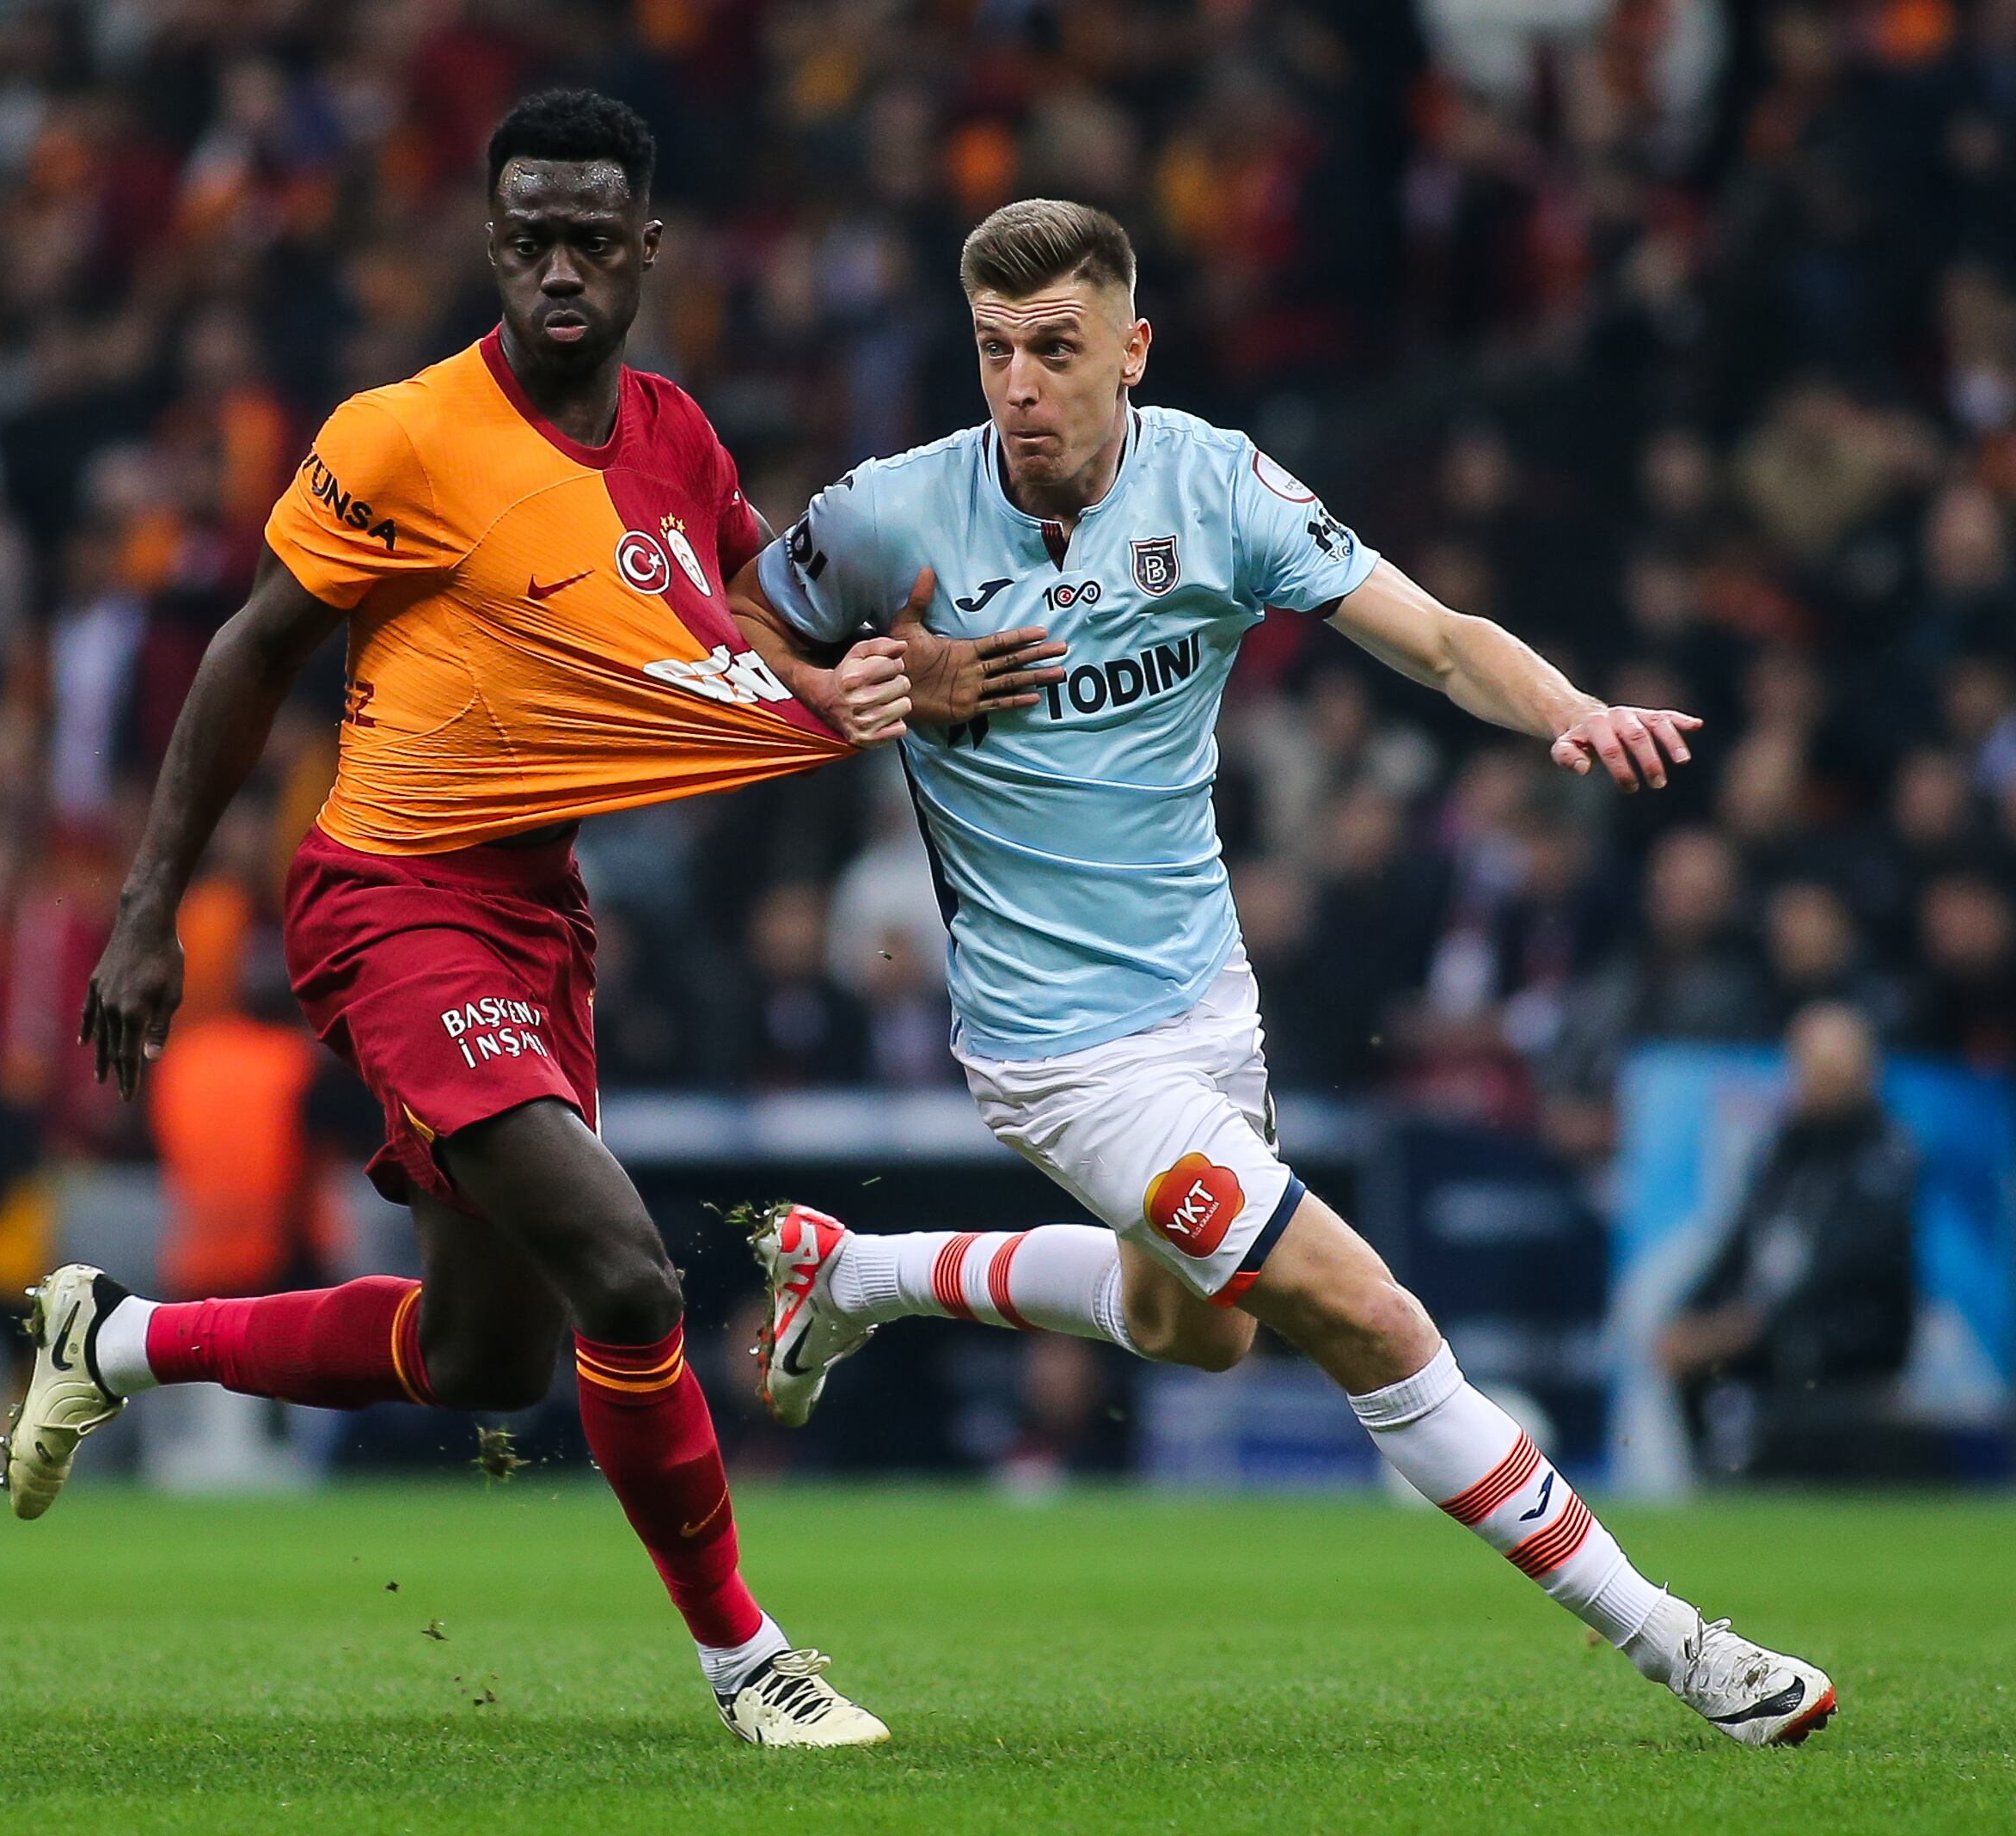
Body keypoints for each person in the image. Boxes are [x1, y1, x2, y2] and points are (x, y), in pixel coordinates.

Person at [3, 92, 1051, 1747]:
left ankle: (114, 1337)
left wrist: (896, 679)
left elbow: (746, 638)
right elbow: (249, 651)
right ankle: (746, 1661)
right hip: (390, 901)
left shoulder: (678, 437)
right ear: (491, 246)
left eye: (589, 237)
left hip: (534, 920)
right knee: (627, 1281)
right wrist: (147, 910)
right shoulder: (401, 435)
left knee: (484, 1357)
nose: (558, 266)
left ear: (646, 249)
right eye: (527, 237)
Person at [730, 200, 1837, 1748]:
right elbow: (718, 629)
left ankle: (851, 1272)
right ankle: (1680, 1646)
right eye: (995, 353)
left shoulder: (1220, 485)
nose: (1022, 388)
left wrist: (1568, 705)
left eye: (1057, 350)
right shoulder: (887, 520)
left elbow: (1439, 638)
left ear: (1134, 348)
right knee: (1361, 1314)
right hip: (1061, 1053)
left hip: (1204, 1006)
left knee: (1197, 1328)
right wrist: (853, 681)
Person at [1658, 1003, 1920, 1479]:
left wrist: (1747, 1329)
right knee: (1686, 1350)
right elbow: (1739, 1245)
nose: (1816, 1084)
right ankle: (1712, 1483)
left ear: (1864, 1074)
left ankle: (1745, 1477)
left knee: (1736, 1353)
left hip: (1841, 1339)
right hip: (1768, 1330)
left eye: (1830, 1072)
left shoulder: (1884, 1156)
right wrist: (1688, 1315)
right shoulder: (1787, 1149)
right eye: (1809, 1069)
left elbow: (1843, 1268)